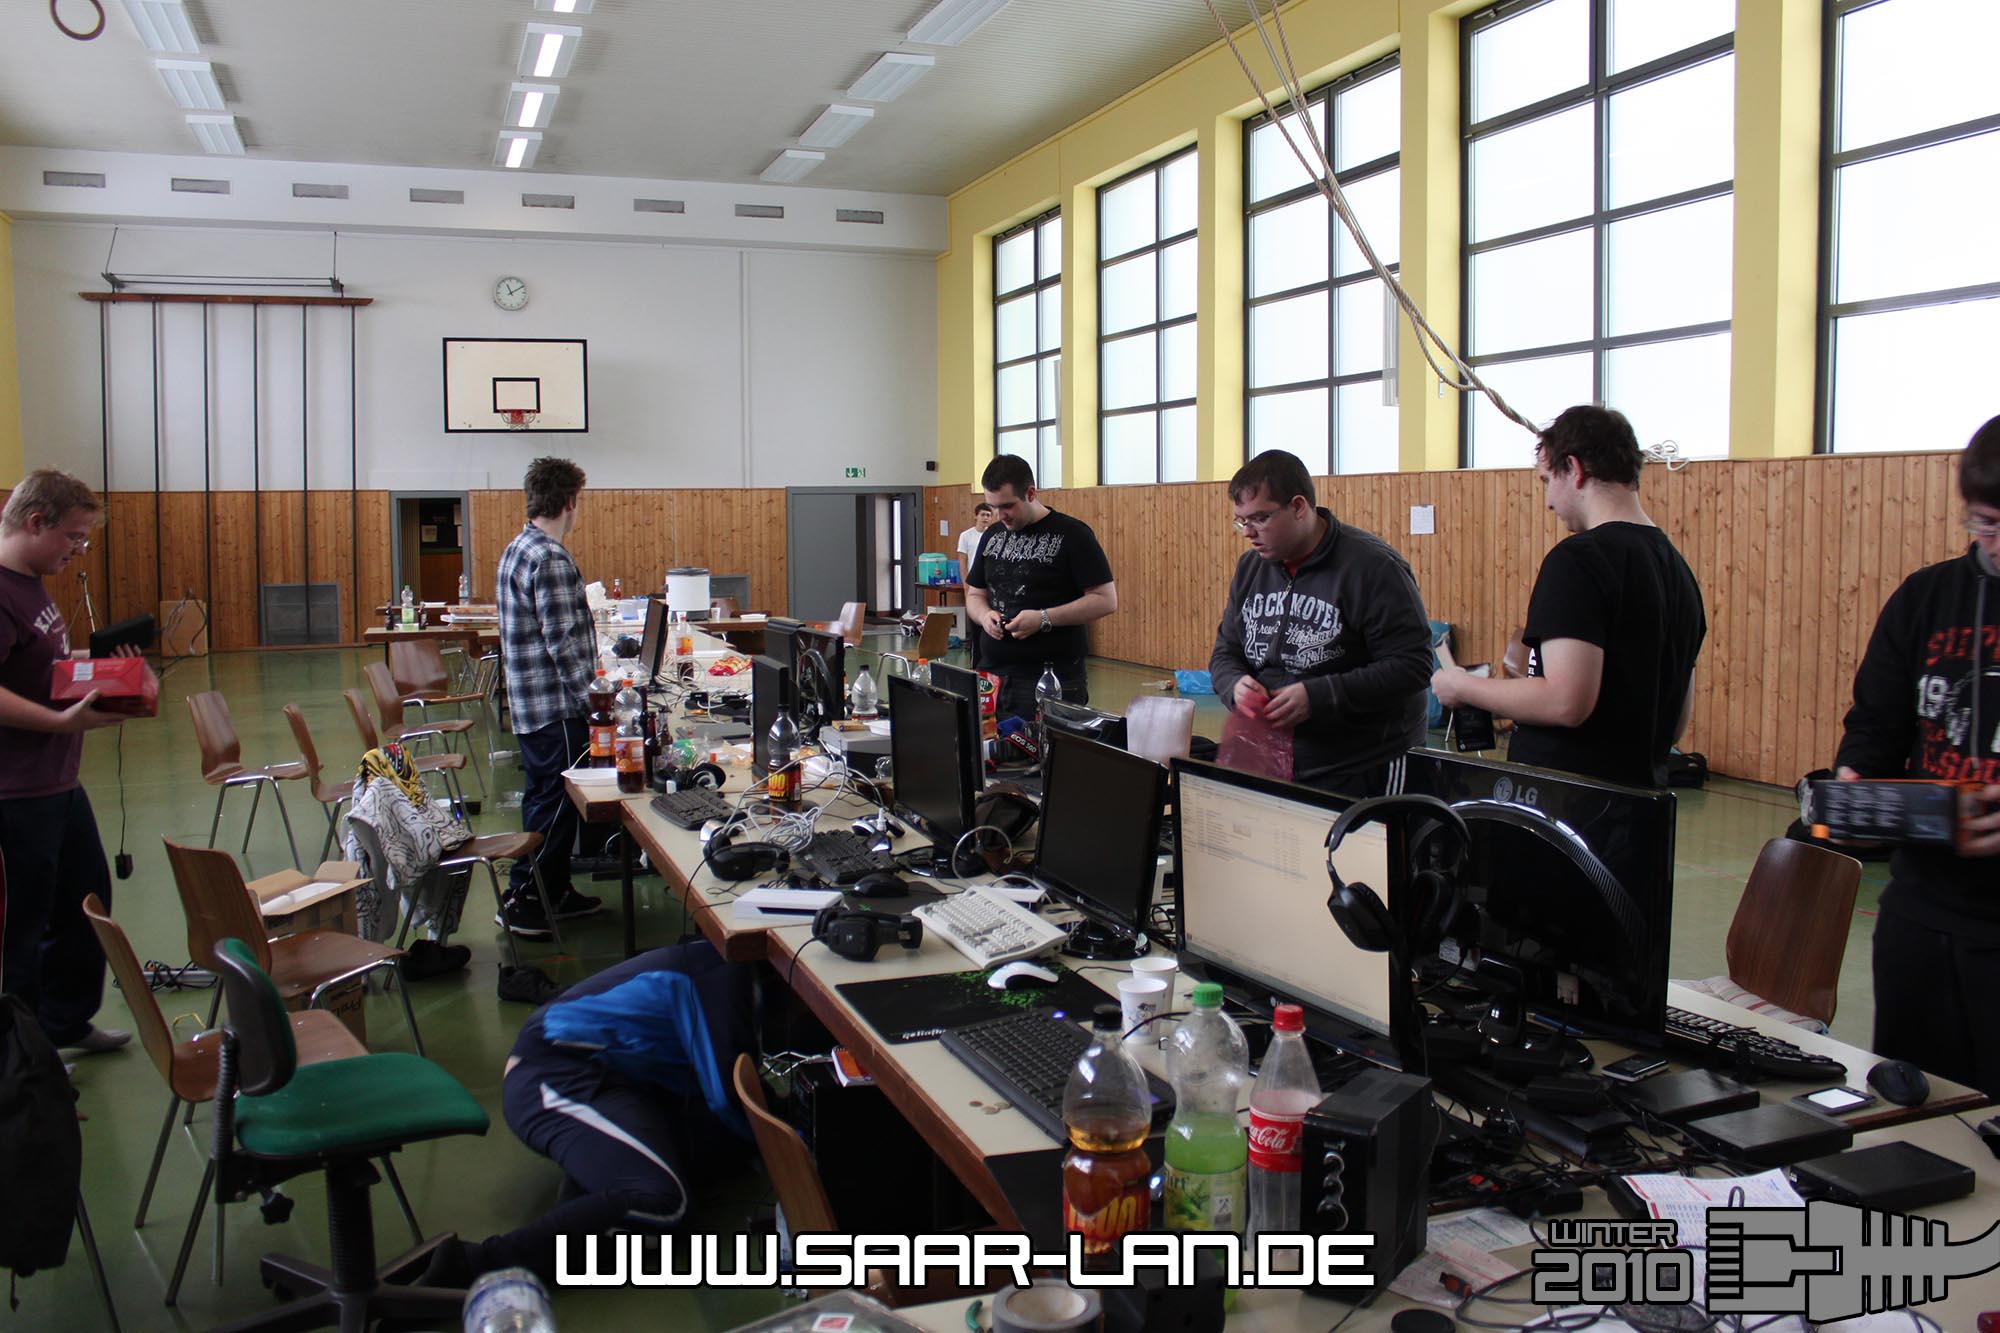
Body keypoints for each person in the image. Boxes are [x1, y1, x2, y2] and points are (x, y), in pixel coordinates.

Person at [418, 940, 756, 1284]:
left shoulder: (719, 962)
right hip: (552, 1075)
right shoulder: (721, 977)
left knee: (717, 1153)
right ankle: (472, 1265)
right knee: (667, 1203)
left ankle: (590, 1193)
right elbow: (729, 1098)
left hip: (609, 1080)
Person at [1834, 415, 2000, 1097]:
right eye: (1988, 524)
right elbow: (1875, 725)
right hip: (1921, 919)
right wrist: (1856, 789)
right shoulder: (1926, 598)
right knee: (1915, 1115)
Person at [1431, 405, 1705, 788]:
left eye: (1547, 480)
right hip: (1639, 799)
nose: (1548, 501)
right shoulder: (1680, 573)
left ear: (1574, 469)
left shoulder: (1579, 559)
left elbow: (1565, 702)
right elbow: (1673, 724)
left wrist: (1463, 686)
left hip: (1569, 803)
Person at [0, 469, 134, 1055]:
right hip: (16, 793)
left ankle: (65, 1023)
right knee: (24, 926)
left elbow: (40, 662)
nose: (79, 550)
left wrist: (106, 668)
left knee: (85, 899)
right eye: (73, 537)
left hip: (56, 780)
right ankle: (26, 1058)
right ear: (35, 523)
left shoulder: (31, 582)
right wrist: (59, 722)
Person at [1207, 450, 1434, 797]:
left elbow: (1413, 666)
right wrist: (1234, 686)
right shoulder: (1251, 568)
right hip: (1275, 761)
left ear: (1299, 507)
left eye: (1260, 519)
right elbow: (1226, 652)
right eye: (1241, 521)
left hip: (1362, 765)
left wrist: (1319, 697)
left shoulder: (1373, 567)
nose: (1248, 533)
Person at [495, 457, 604, 937]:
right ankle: (527, 898)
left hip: (530, 704)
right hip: (554, 709)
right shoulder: (551, 558)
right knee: (555, 806)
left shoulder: (518, 548)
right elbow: (564, 645)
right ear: (569, 503)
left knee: (545, 796)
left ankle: (554, 890)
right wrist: (598, 705)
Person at [964, 454, 1117, 719]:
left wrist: (1043, 618)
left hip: (1049, 679)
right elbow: (975, 594)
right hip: (992, 675)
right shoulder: (992, 535)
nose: (1000, 515)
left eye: (1007, 506)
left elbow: (1105, 599)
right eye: (994, 507)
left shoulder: (1073, 534)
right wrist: (984, 615)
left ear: (1031, 493)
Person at [955, 501, 995, 575]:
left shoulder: (994, 536)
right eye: (982, 515)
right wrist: (965, 580)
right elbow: (962, 563)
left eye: (988, 515)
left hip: (990, 576)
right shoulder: (965, 535)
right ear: (976, 516)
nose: (985, 518)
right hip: (973, 576)